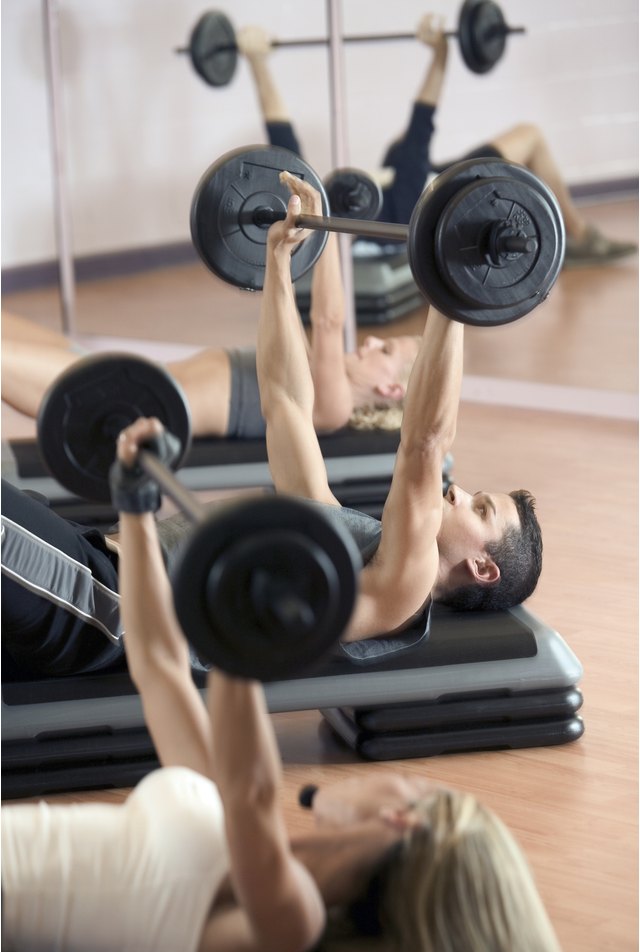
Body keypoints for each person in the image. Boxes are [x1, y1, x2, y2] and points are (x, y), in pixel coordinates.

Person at [1, 416, 566, 952]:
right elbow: (160, 663)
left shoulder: (289, 917)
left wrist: (246, 620)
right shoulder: (220, 820)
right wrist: (138, 508)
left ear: (402, 819)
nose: (403, 777)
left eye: (415, 788)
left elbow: (251, 789)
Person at [1, 172, 542, 679]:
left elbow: (423, 445)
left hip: (104, 601)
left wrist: (453, 293)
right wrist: (278, 263)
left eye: (480, 509)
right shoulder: (336, 537)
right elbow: (283, 401)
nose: (459, 492)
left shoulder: (404, 590)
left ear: (482, 568)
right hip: (91, 558)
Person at [237, 15, 637, 266]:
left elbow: (283, 144)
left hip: (425, 185)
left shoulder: (329, 210)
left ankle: (578, 232)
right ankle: (581, 236)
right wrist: (440, 55)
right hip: (446, 191)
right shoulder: (402, 186)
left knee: (514, 136)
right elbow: (422, 119)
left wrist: (257, 65)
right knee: (528, 136)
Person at [1, 230, 420, 438]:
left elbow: (328, 321)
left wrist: (326, 226)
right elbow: (293, 311)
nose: (369, 342)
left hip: (126, 405)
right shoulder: (312, 372)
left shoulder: (333, 408)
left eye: (384, 349)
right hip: (129, 377)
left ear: (390, 389)